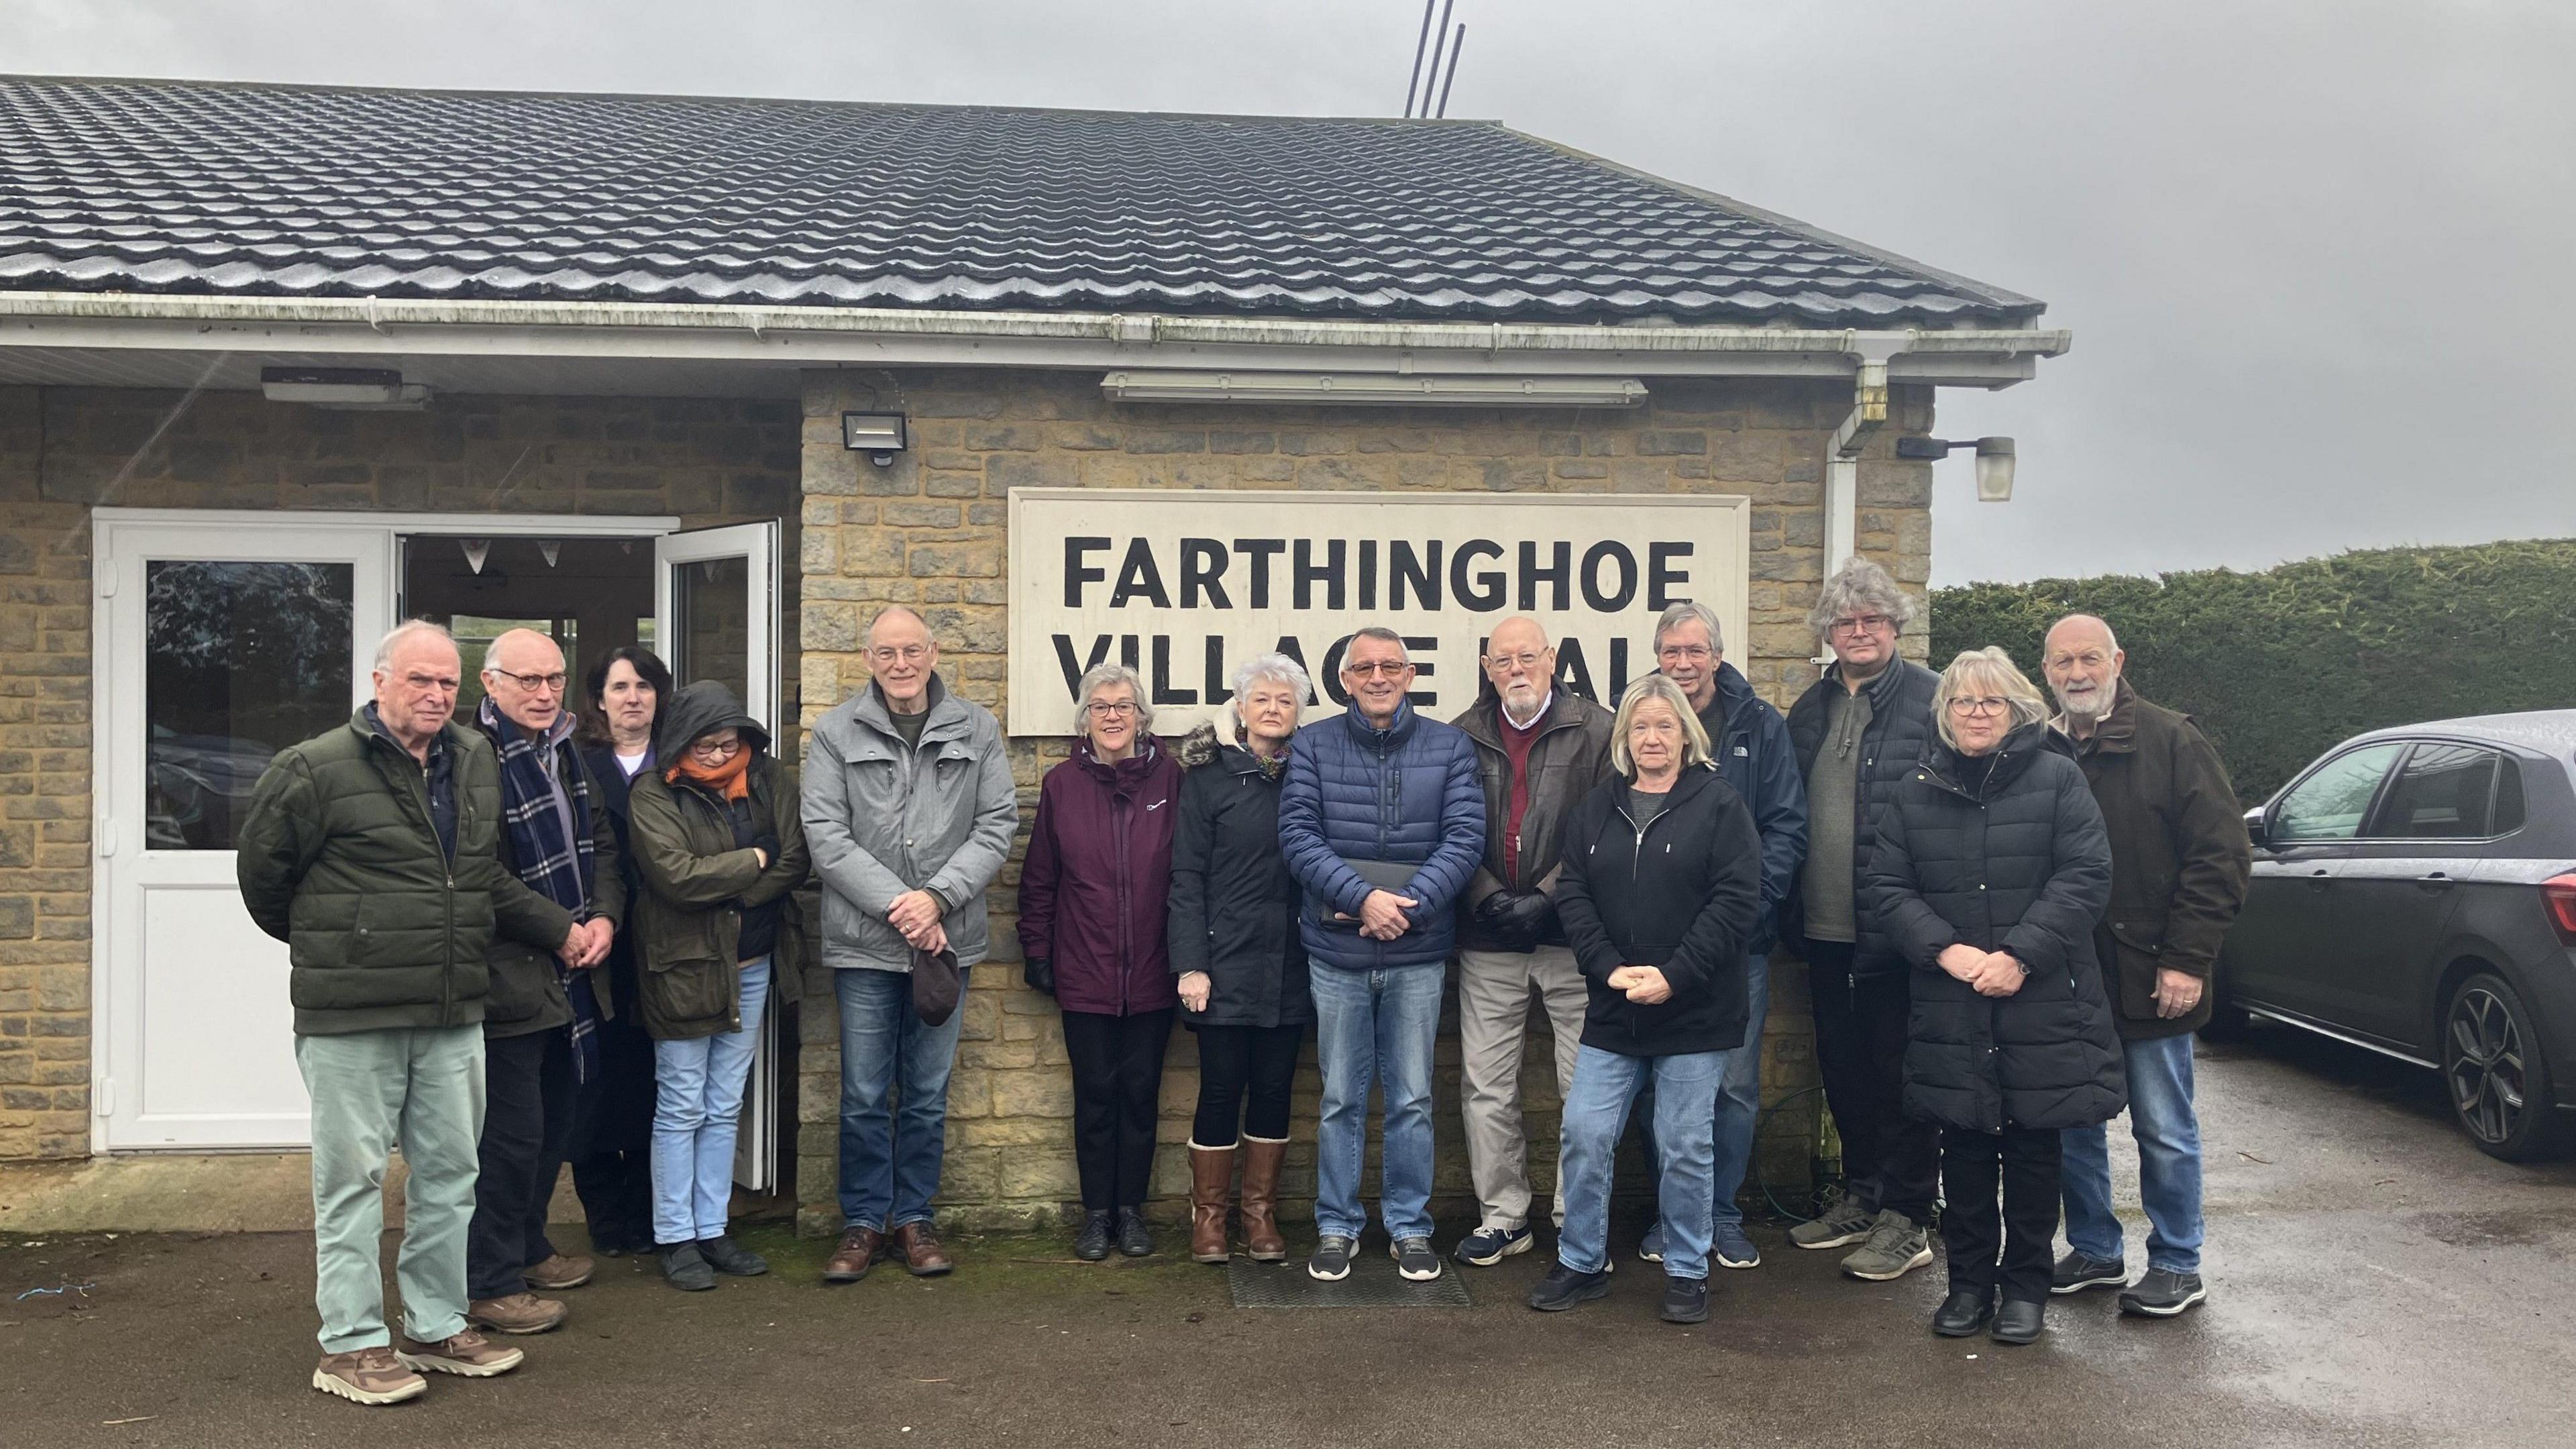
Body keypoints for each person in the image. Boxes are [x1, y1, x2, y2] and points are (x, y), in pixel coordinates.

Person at [237, 620, 570, 1405]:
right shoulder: (313, 768)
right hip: (354, 1014)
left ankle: (434, 1321)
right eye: (419, 680)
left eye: (448, 683)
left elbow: (478, 873)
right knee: (351, 1181)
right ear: (380, 681)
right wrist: (349, 941)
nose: (435, 695)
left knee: (453, 1174)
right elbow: (265, 882)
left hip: (454, 1009)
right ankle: (350, 1345)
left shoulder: (475, 759)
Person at [1862, 647, 2124, 1346]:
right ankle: (1968, 1285)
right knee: (1966, 1152)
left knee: (2036, 1152)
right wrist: (1944, 948)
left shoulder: (2058, 780)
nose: (1976, 713)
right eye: (1962, 702)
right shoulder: (1916, 790)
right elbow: (1887, 886)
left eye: (1990, 702)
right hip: (1951, 999)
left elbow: (2085, 877)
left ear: (2015, 710)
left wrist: (2019, 955)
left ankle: (2025, 1288)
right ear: (1943, 713)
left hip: (2038, 998)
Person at [1529, 676, 1764, 1326]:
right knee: (1585, 1131)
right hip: (1615, 1008)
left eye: (1665, 725)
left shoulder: (1719, 805)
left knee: (1685, 1141)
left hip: (1694, 1009)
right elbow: (1573, 893)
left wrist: (1676, 974)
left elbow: (1736, 901)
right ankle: (1581, 1262)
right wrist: (1607, 969)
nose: (1652, 738)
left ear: (1687, 734)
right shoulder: (1596, 809)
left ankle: (1689, 1270)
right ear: (1624, 739)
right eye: (1640, 727)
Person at [2041, 614, 2250, 1318]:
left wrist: (2188, 959)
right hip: (2068, 978)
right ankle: (2097, 1250)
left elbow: (2221, 857)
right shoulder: (2041, 747)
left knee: (2162, 1125)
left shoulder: (2172, 739)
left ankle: (2178, 1260)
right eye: (2063, 661)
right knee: (2075, 1122)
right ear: (2046, 672)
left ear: (2117, 661)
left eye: (2090, 659)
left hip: (2153, 972)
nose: (2077, 673)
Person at [804, 605, 1018, 1283]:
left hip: (944, 945)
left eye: (913, 651)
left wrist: (938, 899)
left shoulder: (976, 728)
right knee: (865, 1091)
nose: (902, 665)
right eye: (888, 653)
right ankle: (864, 1221)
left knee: (926, 1091)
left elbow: (996, 824)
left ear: (933, 653)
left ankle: (914, 1218)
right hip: (866, 945)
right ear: (868, 659)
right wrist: (904, 906)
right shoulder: (835, 732)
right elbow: (826, 836)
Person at [1277, 627, 1485, 1283]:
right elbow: (1299, 836)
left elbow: (1464, 838)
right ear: (1344, 680)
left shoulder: (1450, 747)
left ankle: (1409, 1226)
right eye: (1363, 667)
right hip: (1336, 951)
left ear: (1411, 673)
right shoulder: (1311, 746)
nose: (1377, 676)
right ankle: (1337, 1225)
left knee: (1413, 1096)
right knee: (1340, 1095)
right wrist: (1364, 899)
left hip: (1417, 952)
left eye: (1390, 665)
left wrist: (1405, 904)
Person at [1779, 557, 1944, 1281]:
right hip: (1823, 929)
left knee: (1902, 1074)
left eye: (1872, 619)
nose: (1859, 632)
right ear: (1827, 633)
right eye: (1845, 622)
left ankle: (1909, 1217)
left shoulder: (1933, 702)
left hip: (1899, 934)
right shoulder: (1809, 710)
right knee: (1843, 1069)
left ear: (1895, 625)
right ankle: (1863, 1196)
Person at [1636, 600, 1807, 1273]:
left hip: (1739, 947)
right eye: (1672, 652)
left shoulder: (1759, 726)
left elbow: (1786, 828)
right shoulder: (1642, 720)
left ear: (1717, 654)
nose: (1683, 664)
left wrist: (1749, 912)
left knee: (1733, 1087)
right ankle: (1669, 1213)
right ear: (1659, 657)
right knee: (1658, 1089)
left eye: (1695, 651)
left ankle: (1722, 1215)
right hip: (1656, 950)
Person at [463, 629, 625, 1336]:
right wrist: (561, 928)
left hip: (572, 976)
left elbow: (603, 843)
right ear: (489, 683)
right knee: (508, 1137)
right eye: (525, 680)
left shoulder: (564, 751)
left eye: (553, 679)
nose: (542, 692)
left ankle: (528, 1248)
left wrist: (606, 919)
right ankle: (488, 1282)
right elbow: (478, 871)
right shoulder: (468, 757)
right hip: (507, 977)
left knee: (555, 1122)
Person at [628, 681, 812, 1291]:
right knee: (682, 1103)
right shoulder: (653, 794)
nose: (714, 756)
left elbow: (794, 858)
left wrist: (733, 894)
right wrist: (751, 863)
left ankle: (713, 1227)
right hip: (683, 968)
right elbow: (675, 877)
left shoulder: (769, 780)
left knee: (725, 1101)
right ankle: (675, 1236)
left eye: (727, 744)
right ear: (681, 741)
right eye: (703, 745)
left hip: (754, 963)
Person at [1446, 616, 1613, 1267]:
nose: (1516, 669)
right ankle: (1504, 1217)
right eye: (1503, 659)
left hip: (1574, 938)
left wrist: (1549, 896)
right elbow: (1449, 828)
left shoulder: (1596, 729)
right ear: (1487, 668)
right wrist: (1486, 894)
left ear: (1552, 660)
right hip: (1488, 936)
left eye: (1528, 657)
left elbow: (1607, 825)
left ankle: (1580, 1223)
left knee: (1584, 1089)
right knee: (1487, 1086)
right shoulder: (1461, 735)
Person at [1018, 663, 1183, 1260]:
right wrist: (1037, 950)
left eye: (1123, 706)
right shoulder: (1062, 784)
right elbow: (1040, 879)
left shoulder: (1173, 779)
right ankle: (1095, 1215)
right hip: (1084, 969)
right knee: (1094, 1095)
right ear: (1085, 719)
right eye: (1100, 706)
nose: (1113, 716)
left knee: (1141, 1094)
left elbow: (1188, 878)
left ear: (1142, 717)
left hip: (1153, 970)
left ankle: (1132, 1213)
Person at [1169, 653, 1315, 1265]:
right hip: (1222, 965)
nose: (1273, 710)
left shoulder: (1311, 773)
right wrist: (1191, 964)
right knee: (1222, 1089)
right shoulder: (1210, 779)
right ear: (1241, 707)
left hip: (1293, 963)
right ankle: (1210, 1219)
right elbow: (1185, 877)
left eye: (1285, 702)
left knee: (1277, 1088)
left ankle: (1259, 1216)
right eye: (1263, 700)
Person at [569, 645, 674, 1259]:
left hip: (665, 944)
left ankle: (649, 1212)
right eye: (618, 687)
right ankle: (605, 1219)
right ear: (599, 700)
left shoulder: (681, 764)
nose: (631, 697)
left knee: (655, 1084)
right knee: (597, 1085)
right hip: (598, 943)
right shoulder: (576, 765)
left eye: (643, 686)